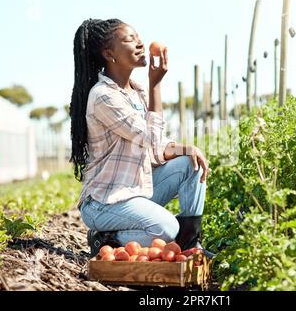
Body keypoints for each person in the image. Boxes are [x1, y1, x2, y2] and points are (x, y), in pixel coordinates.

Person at [69, 18, 213, 258]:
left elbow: (154, 148)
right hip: (105, 202)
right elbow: (147, 136)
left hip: (134, 191)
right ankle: (106, 238)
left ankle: (189, 243)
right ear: (109, 54)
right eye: (129, 39)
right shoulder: (103, 96)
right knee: (167, 229)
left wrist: (187, 148)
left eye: (138, 38)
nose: (140, 44)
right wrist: (156, 85)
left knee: (191, 162)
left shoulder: (136, 91)